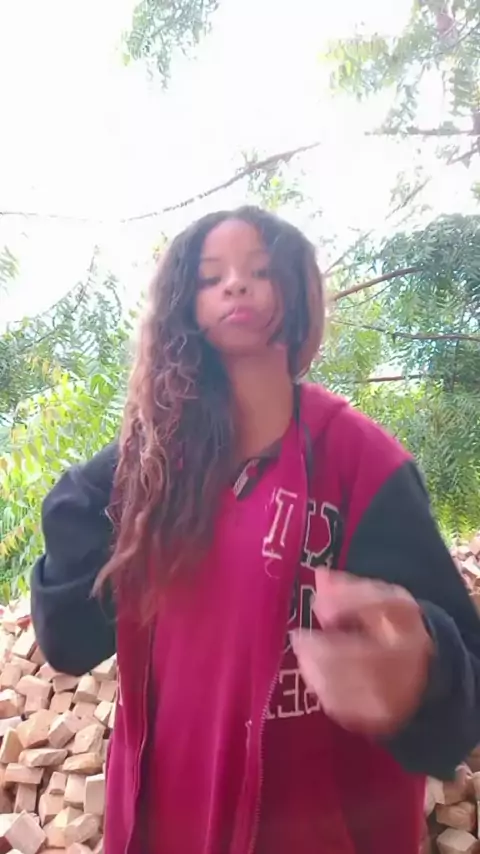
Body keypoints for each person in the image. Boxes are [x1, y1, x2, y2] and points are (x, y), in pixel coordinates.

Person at [31, 206, 480, 854]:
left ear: (297, 289)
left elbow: (462, 687)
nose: (235, 285)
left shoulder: (362, 467)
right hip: (171, 820)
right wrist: (86, 493)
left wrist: (423, 669)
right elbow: (70, 640)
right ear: (183, 306)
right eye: (211, 277)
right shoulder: (153, 467)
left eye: (259, 271)